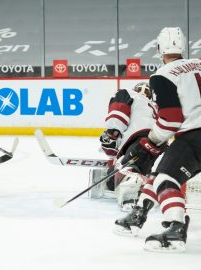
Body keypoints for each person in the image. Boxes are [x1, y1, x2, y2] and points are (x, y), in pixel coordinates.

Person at [113, 27, 201, 252]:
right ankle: (139, 213)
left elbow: (171, 119)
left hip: (194, 136)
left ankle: (175, 229)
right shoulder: (199, 63)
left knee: (165, 181)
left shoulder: (163, 75)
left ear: (159, 49)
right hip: (193, 135)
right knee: (161, 172)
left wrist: (149, 143)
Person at [89, 82, 157, 210]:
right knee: (155, 171)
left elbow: (118, 114)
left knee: (114, 178)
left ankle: (129, 194)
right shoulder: (155, 107)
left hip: (138, 140)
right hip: (159, 144)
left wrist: (112, 132)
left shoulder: (128, 93)